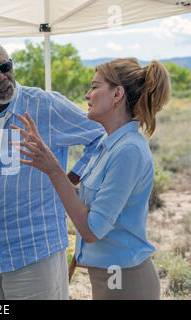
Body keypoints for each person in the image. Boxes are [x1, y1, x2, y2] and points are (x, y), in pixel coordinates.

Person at [11, 58, 170, 299]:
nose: (87, 95)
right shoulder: (108, 144)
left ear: (117, 94)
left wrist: (54, 170)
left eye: (95, 87)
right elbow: (86, 207)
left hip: (123, 279)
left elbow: (92, 229)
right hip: (110, 276)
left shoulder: (128, 151)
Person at [0, 40, 105, 300]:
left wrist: (70, 178)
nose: (1, 77)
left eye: (5, 67)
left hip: (35, 248)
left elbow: (101, 136)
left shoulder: (45, 105)